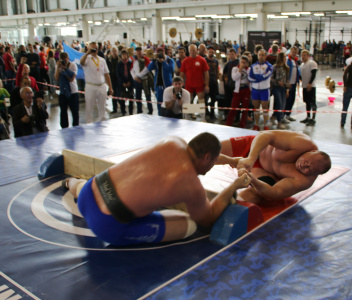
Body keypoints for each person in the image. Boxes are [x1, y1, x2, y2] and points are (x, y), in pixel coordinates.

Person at [63, 132, 250, 245]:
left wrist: (232, 161)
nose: (211, 168)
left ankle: (70, 183)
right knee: (189, 226)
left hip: (89, 191)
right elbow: (207, 218)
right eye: (212, 162)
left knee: (86, 187)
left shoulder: (173, 141)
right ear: (207, 158)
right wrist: (234, 185)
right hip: (106, 224)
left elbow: (209, 157)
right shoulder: (191, 186)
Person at [216, 131, 331, 205]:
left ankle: (227, 208)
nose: (304, 165)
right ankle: (234, 161)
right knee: (208, 150)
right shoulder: (303, 143)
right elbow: (266, 135)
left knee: (260, 191)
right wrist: (251, 158)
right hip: (255, 147)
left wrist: (253, 180)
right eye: (307, 161)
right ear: (312, 151)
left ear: (314, 175)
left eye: (309, 169)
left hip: (263, 172)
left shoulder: (304, 181)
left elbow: (274, 193)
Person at [80, 41, 114, 123]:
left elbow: (106, 74)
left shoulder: (102, 60)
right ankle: (89, 123)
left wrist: (110, 87)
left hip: (101, 85)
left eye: (96, 48)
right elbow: (81, 62)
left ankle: (102, 122)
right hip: (91, 86)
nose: (95, 50)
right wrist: (88, 52)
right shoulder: (86, 59)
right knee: (89, 107)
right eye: (93, 48)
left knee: (102, 107)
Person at [180, 44, 210, 119]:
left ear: (197, 50)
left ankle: (203, 118)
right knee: (188, 101)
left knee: (201, 101)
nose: (192, 52)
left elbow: (206, 73)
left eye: (194, 50)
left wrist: (206, 85)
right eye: (191, 50)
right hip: (188, 85)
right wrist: (180, 85)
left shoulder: (202, 60)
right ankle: (189, 116)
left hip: (199, 84)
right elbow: (182, 74)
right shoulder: (185, 61)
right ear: (189, 51)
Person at [248, 49, 273, 131]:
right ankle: (256, 125)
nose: (261, 56)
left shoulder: (269, 66)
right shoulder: (253, 66)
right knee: (256, 107)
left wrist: (256, 78)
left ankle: (266, 125)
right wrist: (258, 78)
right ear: (257, 55)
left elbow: (265, 76)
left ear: (265, 56)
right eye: (260, 55)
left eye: (263, 55)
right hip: (255, 90)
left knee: (265, 107)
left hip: (264, 90)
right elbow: (249, 77)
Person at [146, 47, 175, 115]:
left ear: (164, 52)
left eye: (161, 53)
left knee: (168, 102)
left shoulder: (169, 60)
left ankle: (169, 115)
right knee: (159, 102)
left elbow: (171, 69)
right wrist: (153, 60)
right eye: (159, 53)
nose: (160, 54)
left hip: (167, 85)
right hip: (158, 86)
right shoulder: (156, 61)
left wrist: (163, 62)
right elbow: (149, 68)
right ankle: (160, 115)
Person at [55, 52, 79, 128]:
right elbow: (57, 78)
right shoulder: (58, 66)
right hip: (63, 92)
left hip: (73, 91)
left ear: (68, 59)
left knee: (75, 112)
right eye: (62, 60)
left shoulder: (73, 65)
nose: (63, 62)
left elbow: (72, 79)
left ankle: (75, 127)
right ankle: (64, 128)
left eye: (65, 60)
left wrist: (65, 69)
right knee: (63, 112)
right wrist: (59, 68)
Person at [225, 55, 251, 128]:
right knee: (233, 107)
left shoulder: (249, 69)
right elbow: (234, 78)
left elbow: (251, 79)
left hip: (246, 89)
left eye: (244, 62)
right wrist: (240, 69)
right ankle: (228, 124)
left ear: (247, 63)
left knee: (245, 109)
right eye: (241, 62)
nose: (242, 64)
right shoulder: (235, 69)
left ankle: (242, 125)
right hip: (237, 90)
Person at [131, 46, 154, 115]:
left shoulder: (146, 59)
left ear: (142, 52)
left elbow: (147, 69)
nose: (139, 53)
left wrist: (139, 76)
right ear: (136, 52)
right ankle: (139, 110)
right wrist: (135, 77)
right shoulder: (134, 60)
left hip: (145, 81)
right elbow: (131, 70)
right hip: (136, 81)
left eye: (140, 51)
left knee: (148, 96)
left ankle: (150, 110)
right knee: (138, 97)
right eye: (137, 51)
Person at [270, 52, 290, 129]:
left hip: (284, 88)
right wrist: (277, 82)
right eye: (284, 57)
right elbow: (271, 78)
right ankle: (279, 121)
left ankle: (273, 116)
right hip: (277, 88)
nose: (285, 58)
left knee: (283, 105)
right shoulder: (275, 67)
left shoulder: (287, 68)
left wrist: (287, 89)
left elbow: (287, 79)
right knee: (279, 104)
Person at [299, 50, 318, 126]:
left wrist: (310, 83)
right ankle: (308, 117)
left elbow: (314, 74)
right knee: (307, 102)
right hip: (304, 86)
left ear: (308, 56)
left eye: (304, 55)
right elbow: (301, 76)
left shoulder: (312, 63)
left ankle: (313, 118)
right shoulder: (301, 65)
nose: (303, 57)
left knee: (312, 102)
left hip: (311, 86)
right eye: (302, 55)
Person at [284, 46, 300, 122]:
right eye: (293, 52)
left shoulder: (295, 61)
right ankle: (283, 116)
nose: (294, 53)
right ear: (290, 52)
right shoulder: (287, 60)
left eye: (295, 52)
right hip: (289, 84)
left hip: (294, 84)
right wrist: (287, 83)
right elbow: (286, 72)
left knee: (292, 100)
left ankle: (288, 115)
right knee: (287, 100)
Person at [116, 49, 134, 116]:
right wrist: (122, 82)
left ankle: (131, 112)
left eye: (125, 54)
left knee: (131, 98)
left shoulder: (130, 63)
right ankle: (123, 112)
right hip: (122, 83)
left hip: (130, 83)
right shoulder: (119, 64)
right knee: (122, 98)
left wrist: (129, 81)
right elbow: (118, 74)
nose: (124, 56)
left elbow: (132, 72)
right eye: (123, 55)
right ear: (121, 56)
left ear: (127, 55)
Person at [204, 46, 220, 120]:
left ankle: (212, 113)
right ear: (207, 52)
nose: (211, 53)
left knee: (214, 99)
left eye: (212, 52)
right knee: (205, 99)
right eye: (209, 52)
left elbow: (217, 70)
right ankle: (206, 112)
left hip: (214, 82)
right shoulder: (204, 60)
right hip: (206, 82)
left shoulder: (216, 61)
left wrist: (217, 78)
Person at [106, 47, 121, 114]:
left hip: (119, 79)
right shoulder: (108, 60)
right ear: (111, 52)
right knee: (113, 94)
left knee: (119, 93)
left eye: (115, 51)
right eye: (113, 51)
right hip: (111, 79)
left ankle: (122, 107)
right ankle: (114, 108)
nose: (114, 52)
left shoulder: (120, 59)